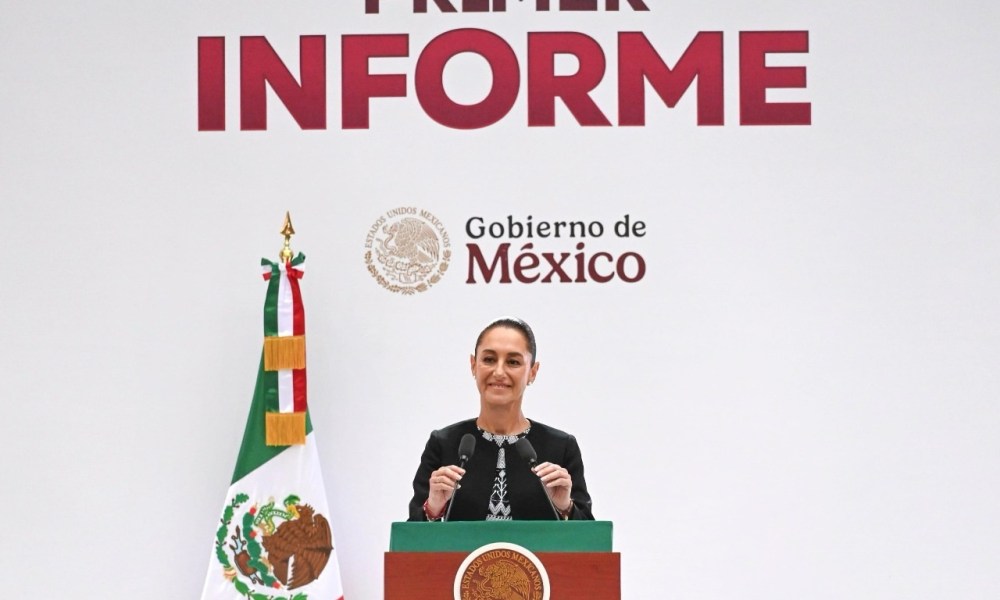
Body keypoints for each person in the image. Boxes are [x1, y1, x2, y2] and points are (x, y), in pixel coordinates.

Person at [408, 317, 594, 521]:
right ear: (473, 365)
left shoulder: (560, 447)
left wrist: (565, 507)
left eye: (513, 362)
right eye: (489, 359)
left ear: (532, 372)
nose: (498, 372)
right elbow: (411, 534)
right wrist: (433, 508)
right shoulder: (444, 444)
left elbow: (590, 536)